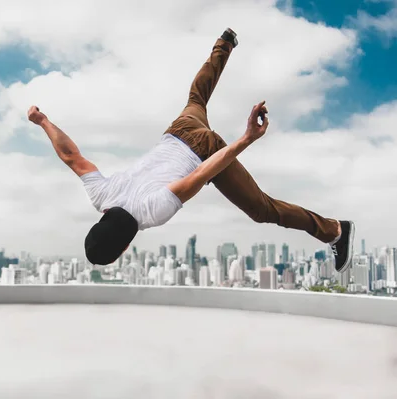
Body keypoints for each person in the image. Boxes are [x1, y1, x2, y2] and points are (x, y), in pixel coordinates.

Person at [27, 28, 355, 271]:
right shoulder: (100, 195)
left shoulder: (151, 212)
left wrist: (246, 140)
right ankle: (224, 44)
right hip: (178, 131)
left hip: (203, 152)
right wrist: (43, 121)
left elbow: (201, 173)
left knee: (262, 210)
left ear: (127, 246)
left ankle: (335, 230)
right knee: (196, 98)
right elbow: (71, 156)